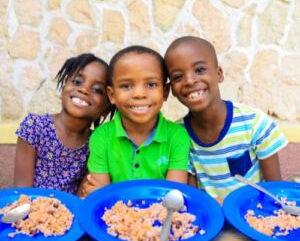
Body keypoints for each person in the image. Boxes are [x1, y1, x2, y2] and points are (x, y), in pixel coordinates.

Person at [164, 36, 288, 199]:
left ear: (219, 74)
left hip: (254, 214)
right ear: (171, 88)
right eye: (178, 77)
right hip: (213, 219)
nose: (189, 81)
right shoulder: (179, 135)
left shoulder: (254, 123)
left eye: (199, 70)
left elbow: (275, 192)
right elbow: (192, 199)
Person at [78, 45, 191, 197]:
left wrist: (112, 196)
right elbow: (99, 199)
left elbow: (173, 198)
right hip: (112, 219)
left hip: (163, 219)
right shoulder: (101, 137)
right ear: (111, 95)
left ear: (164, 92)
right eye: (126, 86)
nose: (139, 94)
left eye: (151, 84)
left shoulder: (177, 137)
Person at [14, 53, 111, 194]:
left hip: (71, 212)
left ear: (106, 108)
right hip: (30, 209)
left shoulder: (97, 141)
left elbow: (81, 198)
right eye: (77, 82)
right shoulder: (33, 127)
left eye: (97, 89)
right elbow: (21, 191)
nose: (84, 89)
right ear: (63, 89)